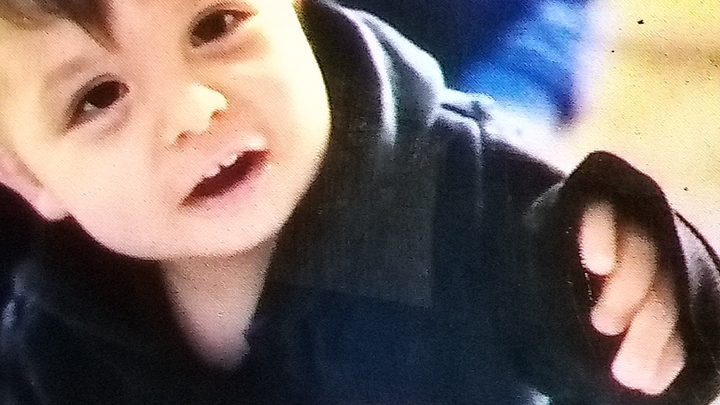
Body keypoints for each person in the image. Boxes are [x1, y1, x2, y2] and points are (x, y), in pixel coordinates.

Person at [0, 0, 717, 404]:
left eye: (214, 25)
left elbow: (645, 349)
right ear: (30, 177)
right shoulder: (53, 337)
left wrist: (653, 281)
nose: (194, 109)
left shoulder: (455, 190)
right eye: (99, 97)